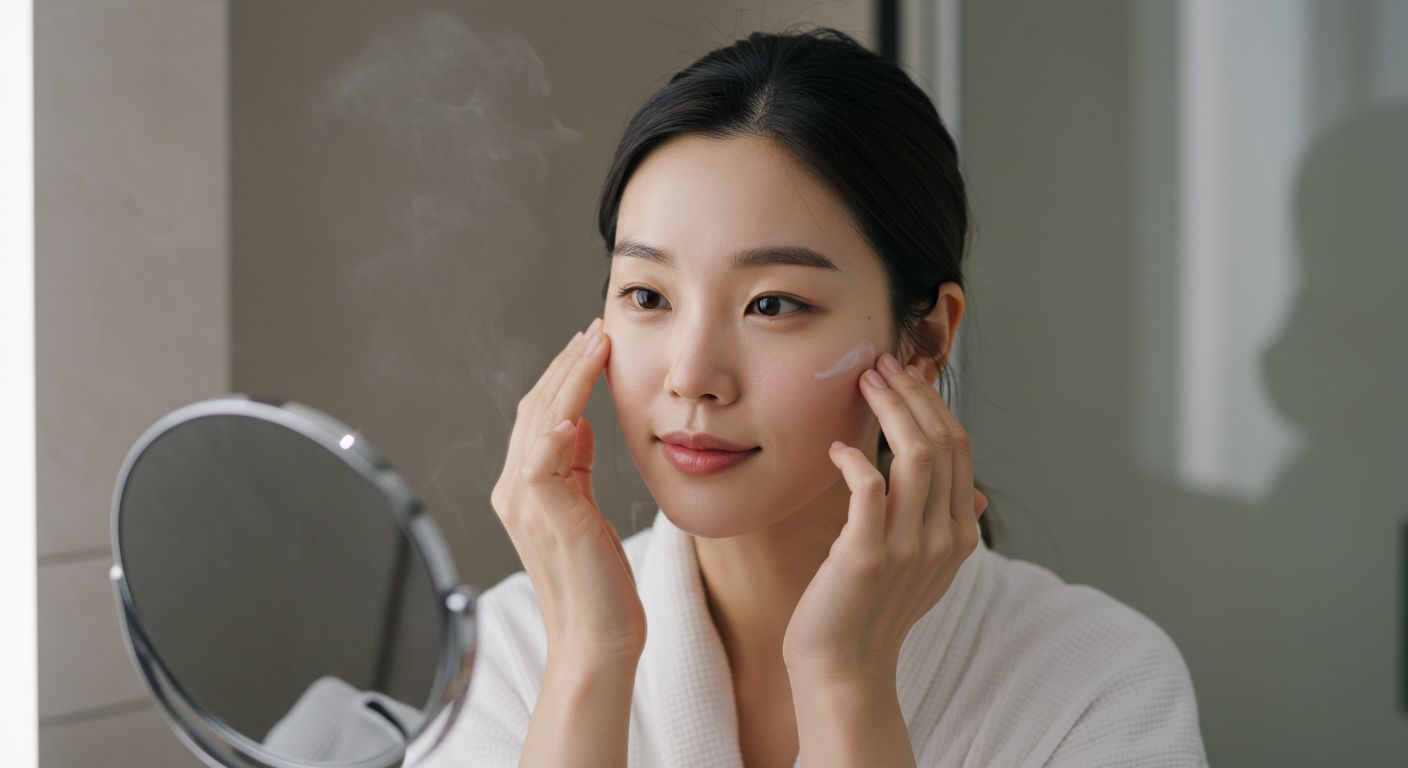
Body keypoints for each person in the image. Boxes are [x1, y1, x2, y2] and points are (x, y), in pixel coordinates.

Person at [408, 26, 1207, 768]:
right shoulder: (507, 657)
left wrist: (844, 681)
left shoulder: (1097, 681)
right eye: (648, 297)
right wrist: (588, 656)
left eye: (773, 304)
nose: (692, 376)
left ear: (924, 338)